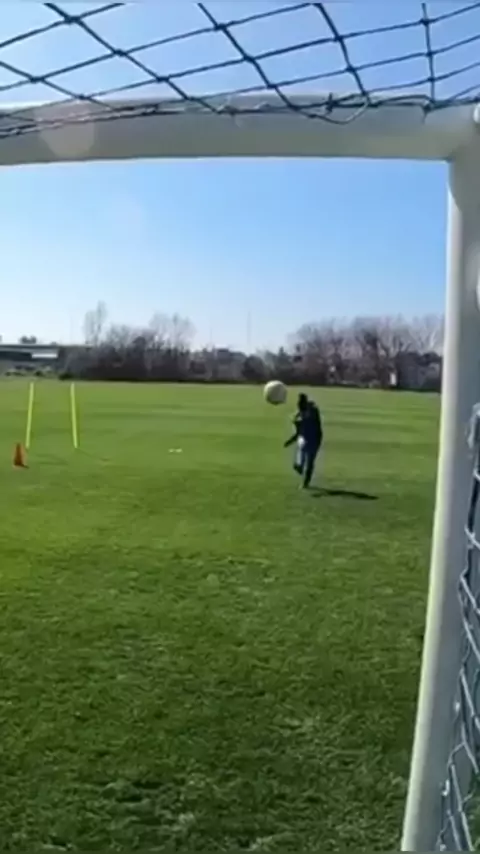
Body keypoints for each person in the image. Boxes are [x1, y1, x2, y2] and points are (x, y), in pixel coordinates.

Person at [284, 393, 323, 489]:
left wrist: (296, 419)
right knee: (299, 464)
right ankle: (300, 468)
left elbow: (311, 411)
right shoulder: (300, 418)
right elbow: (297, 434)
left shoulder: (313, 412)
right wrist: (289, 441)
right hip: (304, 439)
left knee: (310, 461)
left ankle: (305, 483)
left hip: (315, 439)